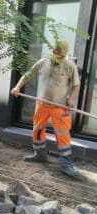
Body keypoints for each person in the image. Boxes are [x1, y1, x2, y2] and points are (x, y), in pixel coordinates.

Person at [11, 40, 80, 177]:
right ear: (52, 51)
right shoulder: (42, 62)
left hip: (60, 108)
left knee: (63, 135)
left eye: (60, 56)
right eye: (56, 54)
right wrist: (17, 87)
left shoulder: (70, 66)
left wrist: (71, 98)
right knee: (37, 131)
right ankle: (40, 155)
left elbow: (76, 84)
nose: (57, 58)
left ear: (65, 54)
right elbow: (27, 75)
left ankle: (66, 165)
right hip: (41, 104)